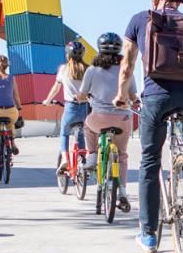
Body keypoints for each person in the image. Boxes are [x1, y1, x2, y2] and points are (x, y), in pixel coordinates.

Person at [117, 0, 183, 252]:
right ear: (180, 1)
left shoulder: (139, 19)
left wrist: (121, 94)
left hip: (157, 96)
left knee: (150, 161)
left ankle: (149, 235)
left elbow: (127, 66)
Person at [81, 33, 135, 213]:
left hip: (99, 118)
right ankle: (123, 193)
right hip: (122, 120)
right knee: (122, 155)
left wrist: (80, 97)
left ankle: (91, 155)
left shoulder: (91, 70)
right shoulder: (125, 69)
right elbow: (134, 96)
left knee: (87, 126)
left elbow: (82, 94)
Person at [43, 39, 90, 167]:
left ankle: (65, 159)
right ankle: (82, 158)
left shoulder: (64, 69)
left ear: (67, 55)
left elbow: (56, 88)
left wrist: (47, 101)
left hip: (71, 108)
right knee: (80, 131)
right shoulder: (88, 69)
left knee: (64, 132)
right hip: (85, 109)